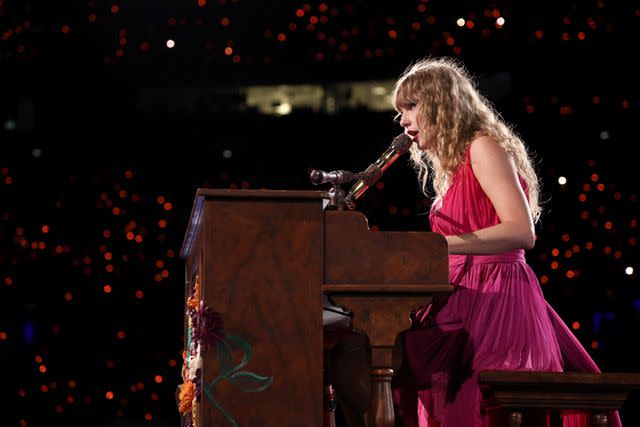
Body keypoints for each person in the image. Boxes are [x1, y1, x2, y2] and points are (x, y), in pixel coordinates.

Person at [389, 57, 622, 427]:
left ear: (440, 104)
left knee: (470, 396)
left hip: (497, 297)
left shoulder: (482, 147)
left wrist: (442, 245)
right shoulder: (452, 167)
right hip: (460, 295)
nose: (402, 121)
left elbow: (520, 231)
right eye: (401, 111)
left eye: (411, 107)